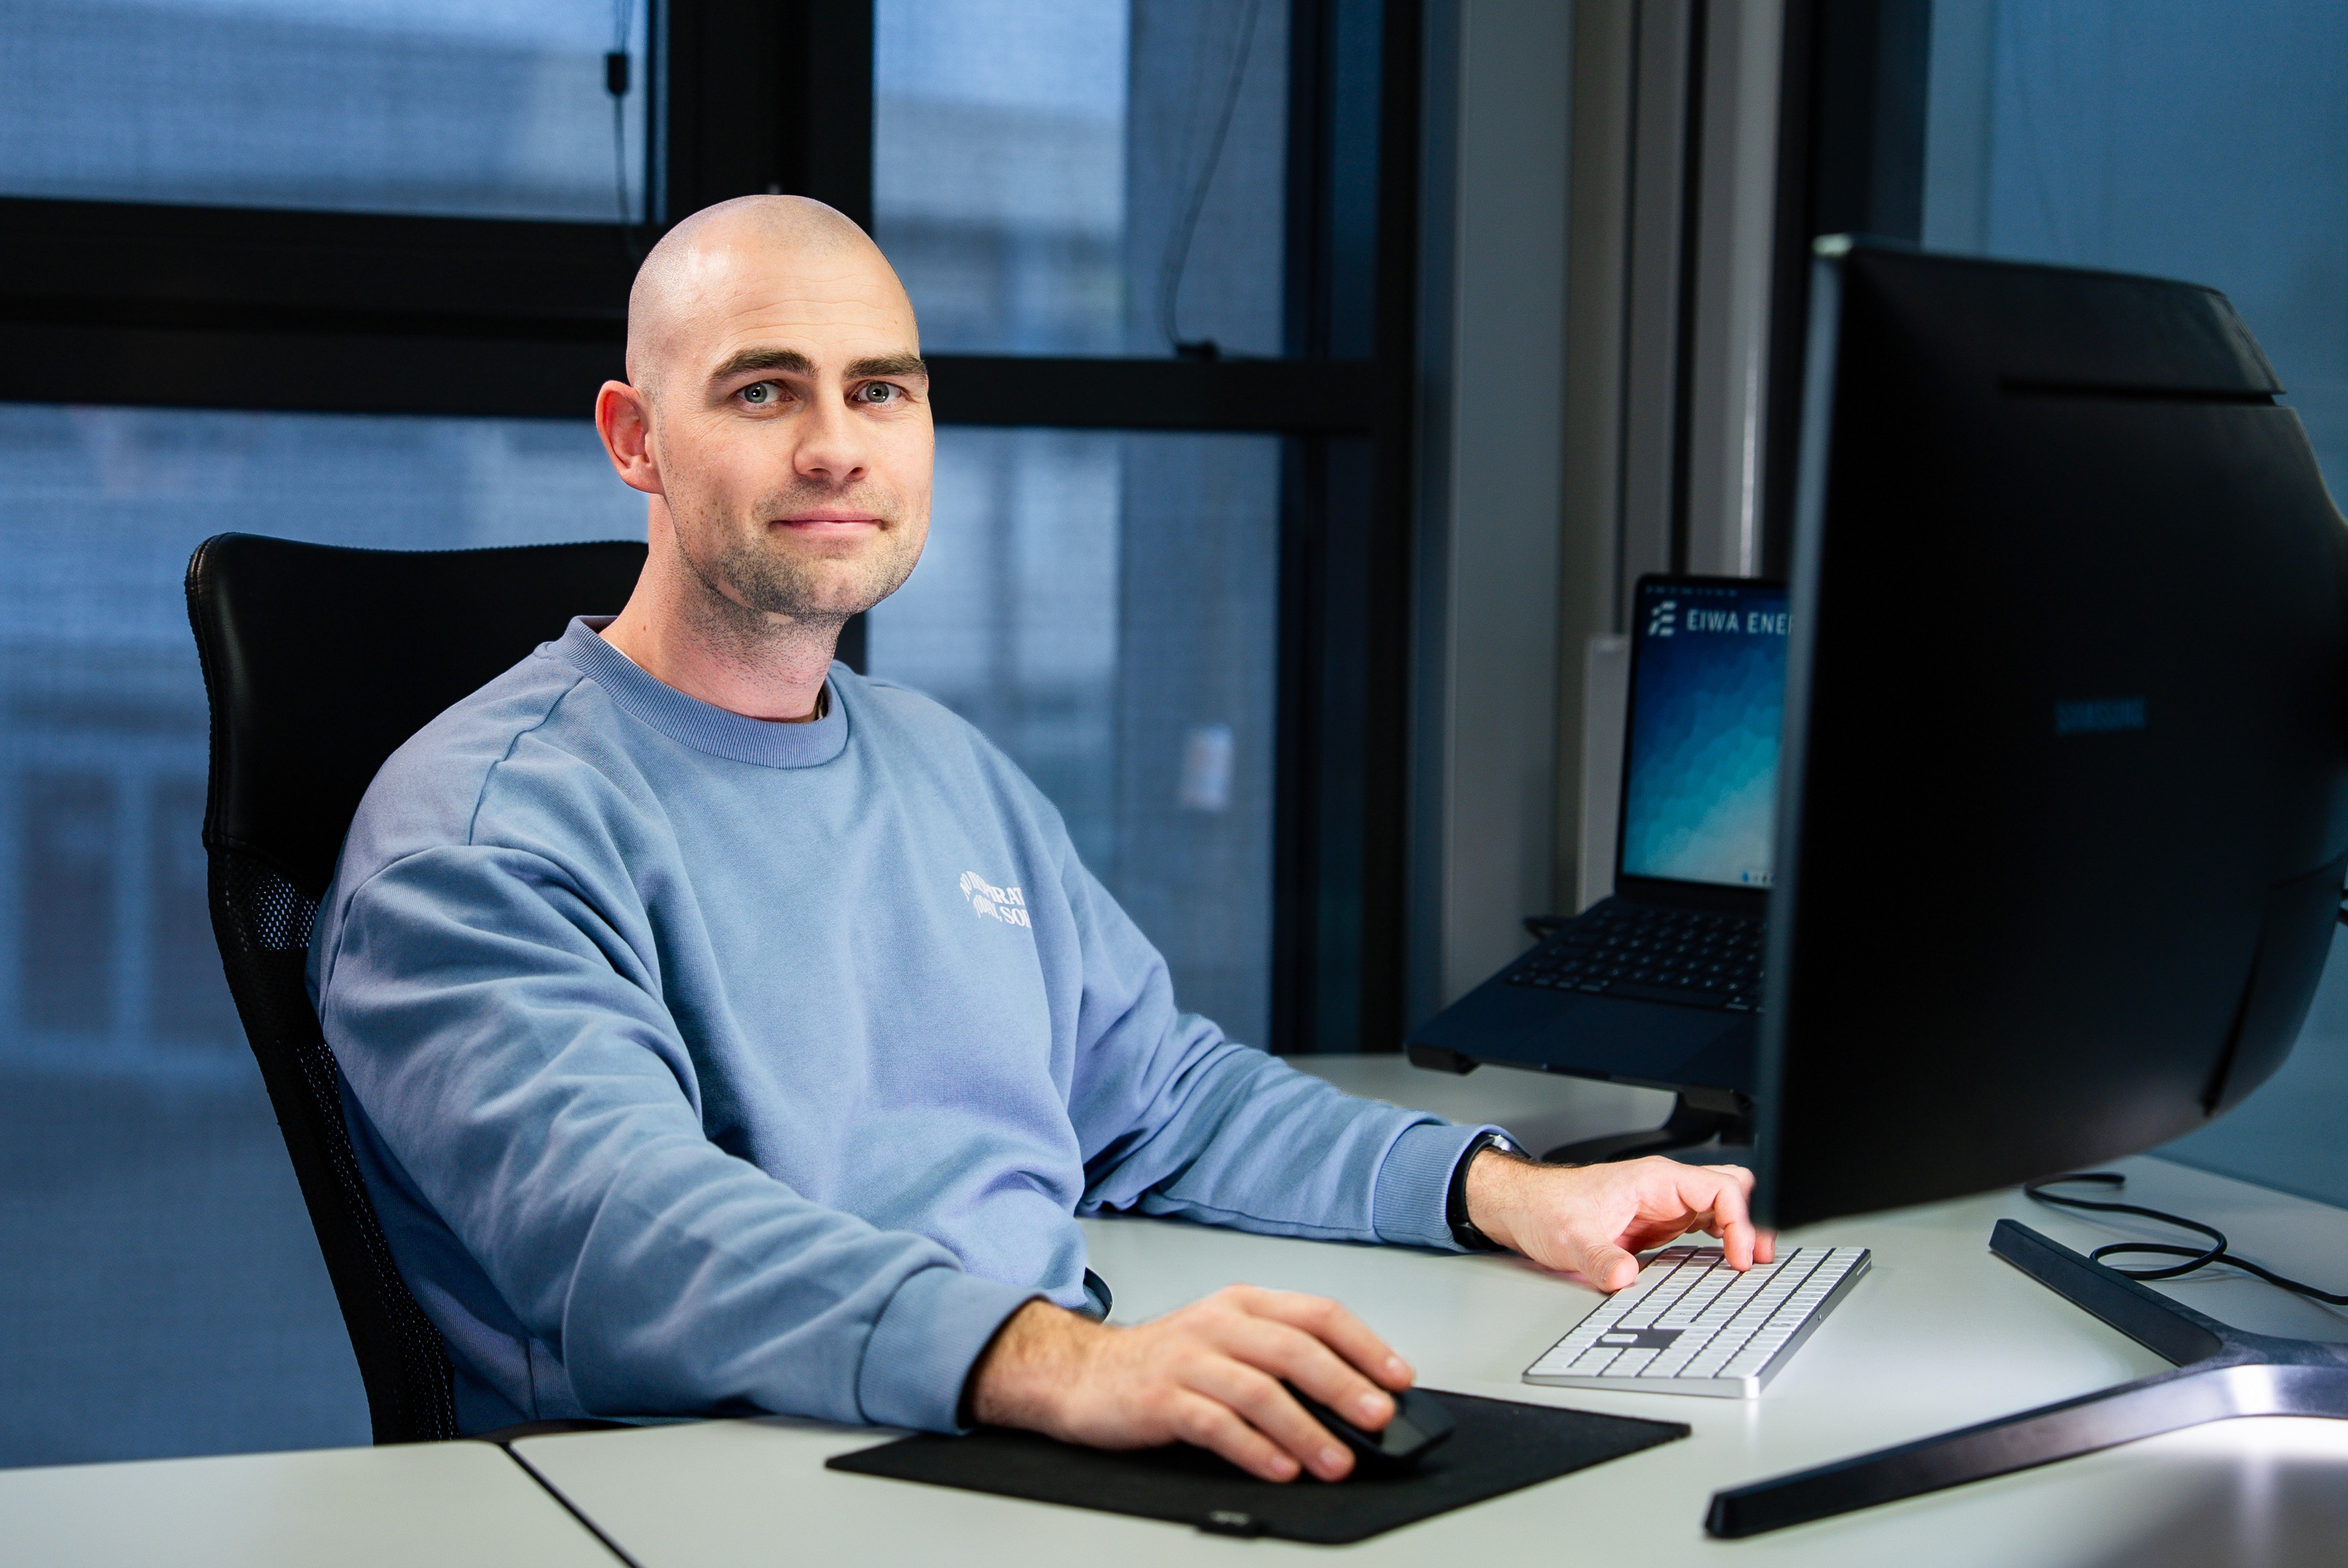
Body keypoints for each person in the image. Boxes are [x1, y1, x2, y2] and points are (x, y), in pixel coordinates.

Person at [309, 195, 1770, 1484]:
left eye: (880, 389)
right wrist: (1065, 1364)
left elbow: (1164, 1098)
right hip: (728, 1482)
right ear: (635, 438)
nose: (836, 446)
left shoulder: (947, 767)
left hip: (1011, 1426)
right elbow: (631, 1238)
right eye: (764, 391)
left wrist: (1510, 1190)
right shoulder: (480, 830)